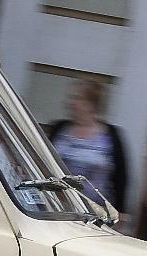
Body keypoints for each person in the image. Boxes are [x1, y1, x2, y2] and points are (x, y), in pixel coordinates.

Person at [48, 79, 130, 229]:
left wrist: (121, 212)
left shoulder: (110, 136)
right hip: (57, 207)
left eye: (77, 98)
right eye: (71, 98)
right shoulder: (59, 129)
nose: (71, 102)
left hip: (96, 214)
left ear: (92, 105)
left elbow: (121, 177)